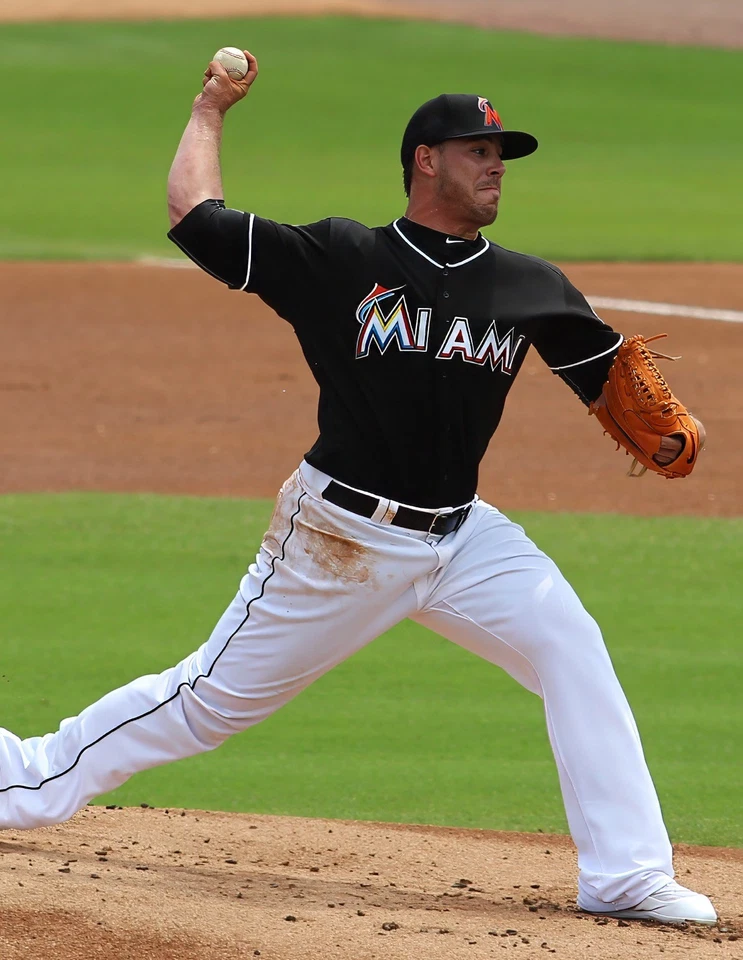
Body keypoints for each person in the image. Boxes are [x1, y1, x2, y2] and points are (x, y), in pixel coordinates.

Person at [0, 51, 716, 927]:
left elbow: (607, 375)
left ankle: (625, 875)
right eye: (477, 149)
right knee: (207, 705)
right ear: (425, 159)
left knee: (572, 651)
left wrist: (671, 429)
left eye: (502, 153)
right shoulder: (343, 257)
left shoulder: (530, 286)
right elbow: (197, 216)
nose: (495, 165)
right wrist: (210, 109)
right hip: (340, 539)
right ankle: (21, 779)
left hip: (465, 540)